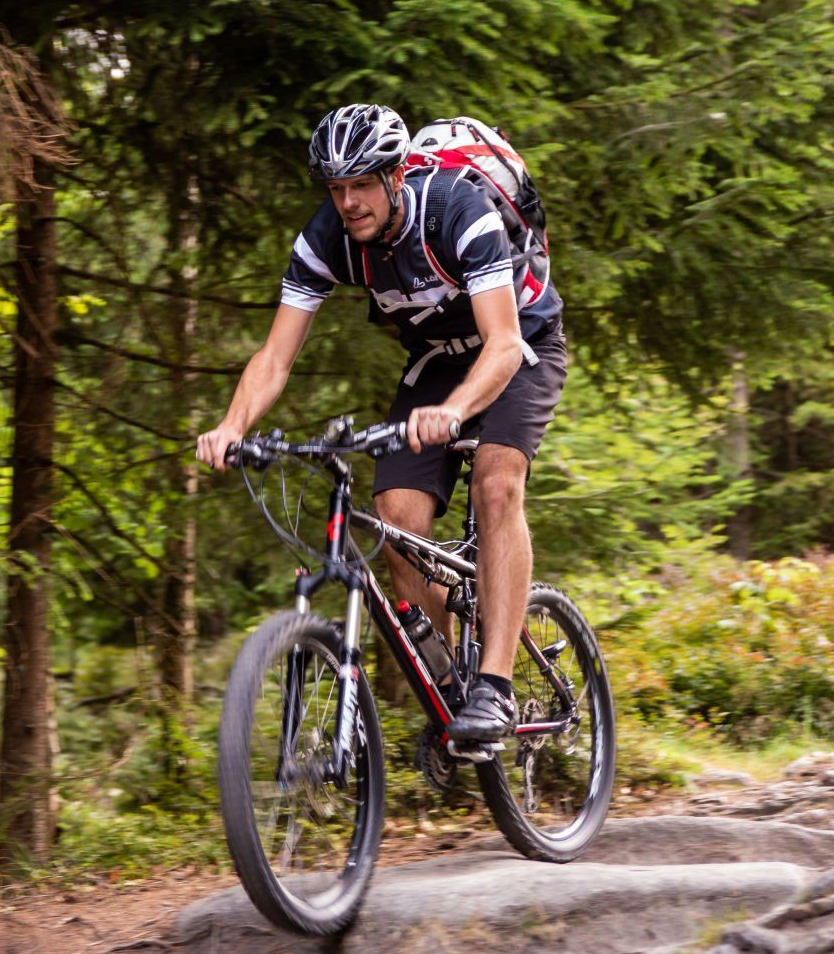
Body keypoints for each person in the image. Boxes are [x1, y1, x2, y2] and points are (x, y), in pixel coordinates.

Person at [195, 103, 567, 742]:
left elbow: (502, 345)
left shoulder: (456, 212)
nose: (348, 202)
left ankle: (497, 689)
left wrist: (454, 412)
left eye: (362, 183)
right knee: (396, 516)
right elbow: (275, 356)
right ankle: (450, 689)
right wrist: (233, 425)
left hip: (519, 345)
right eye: (336, 189)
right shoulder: (325, 239)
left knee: (497, 482)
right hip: (435, 361)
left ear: (397, 176)